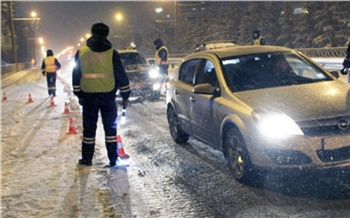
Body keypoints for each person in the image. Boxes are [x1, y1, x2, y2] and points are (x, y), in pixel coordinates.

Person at [72, 22, 131, 167]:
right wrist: (125, 95)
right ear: (106, 34)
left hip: (88, 96)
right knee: (110, 129)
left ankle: (87, 159)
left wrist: (79, 94)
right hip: (108, 96)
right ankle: (113, 158)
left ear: (92, 33)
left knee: (89, 129)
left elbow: (76, 74)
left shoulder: (82, 52)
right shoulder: (112, 53)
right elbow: (121, 75)